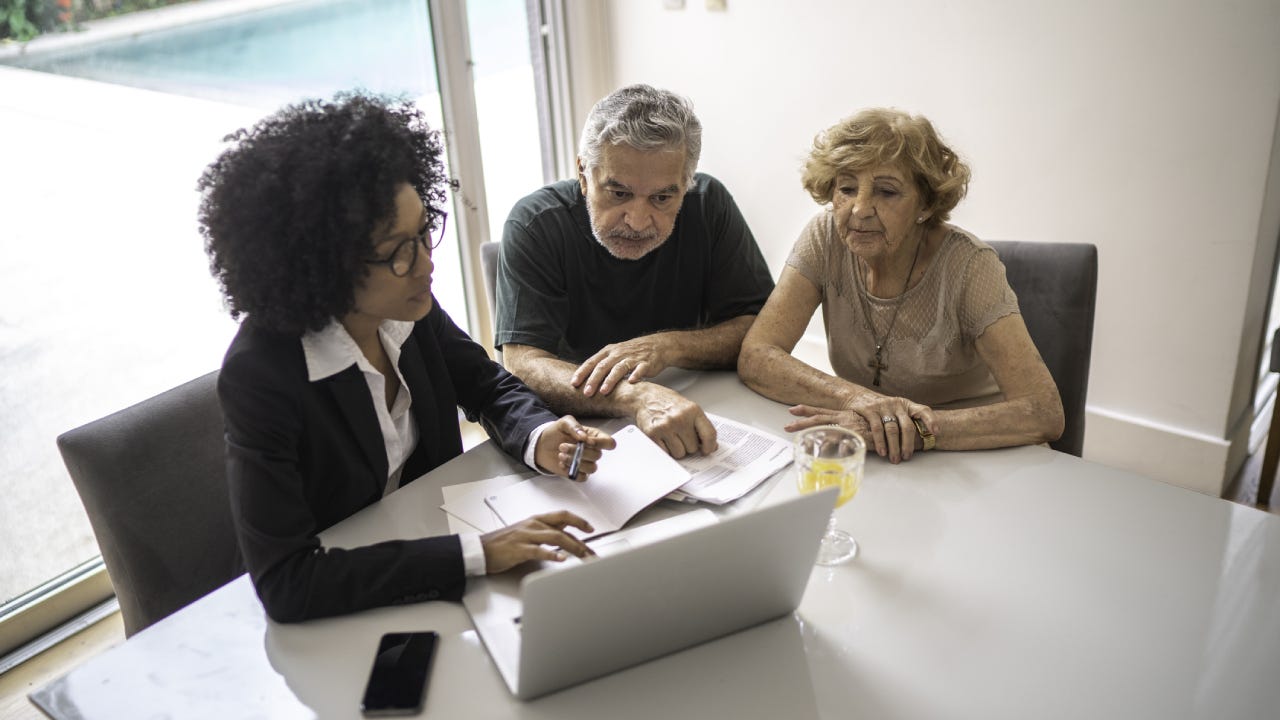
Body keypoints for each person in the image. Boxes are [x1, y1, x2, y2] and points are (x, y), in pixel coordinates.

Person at [198, 93, 615, 623]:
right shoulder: (262, 376)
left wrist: (539, 436)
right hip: (352, 602)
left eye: (423, 232)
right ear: (324, 267)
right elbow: (289, 582)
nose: (427, 263)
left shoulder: (407, 308)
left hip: (428, 545)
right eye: (398, 250)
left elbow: (487, 385)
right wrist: (481, 553)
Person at [738, 108, 1064, 464]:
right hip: (885, 453)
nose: (859, 209)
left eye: (886, 192)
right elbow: (757, 355)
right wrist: (858, 401)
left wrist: (913, 428)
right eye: (846, 188)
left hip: (980, 453)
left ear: (925, 204)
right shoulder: (825, 237)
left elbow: (1044, 412)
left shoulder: (971, 266)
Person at [495, 84, 775, 459]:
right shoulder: (535, 223)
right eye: (619, 193)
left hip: (698, 405)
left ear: (686, 183)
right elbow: (523, 364)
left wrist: (667, 346)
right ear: (583, 174)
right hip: (579, 430)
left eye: (663, 198)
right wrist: (632, 396)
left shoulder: (709, 204)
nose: (639, 220)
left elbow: (759, 328)